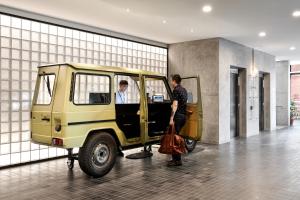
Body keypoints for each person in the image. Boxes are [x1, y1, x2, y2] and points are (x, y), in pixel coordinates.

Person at [168, 74, 188, 166]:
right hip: (184, 116)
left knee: (174, 138)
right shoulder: (184, 90)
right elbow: (183, 103)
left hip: (178, 117)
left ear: (174, 81)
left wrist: (171, 118)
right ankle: (176, 159)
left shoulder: (176, 90)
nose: (171, 82)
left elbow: (175, 105)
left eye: (172, 81)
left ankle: (177, 160)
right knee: (177, 137)